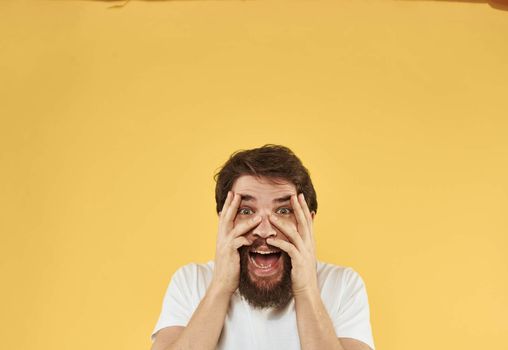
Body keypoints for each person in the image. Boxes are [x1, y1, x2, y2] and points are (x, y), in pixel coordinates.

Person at [150, 144, 375, 350]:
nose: (265, 230)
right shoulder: (191, 282)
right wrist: (220, 286)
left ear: (308, 221)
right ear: (224, 221)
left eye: (283, 211)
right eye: (246, 211)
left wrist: (306, 290)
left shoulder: (343, 284)